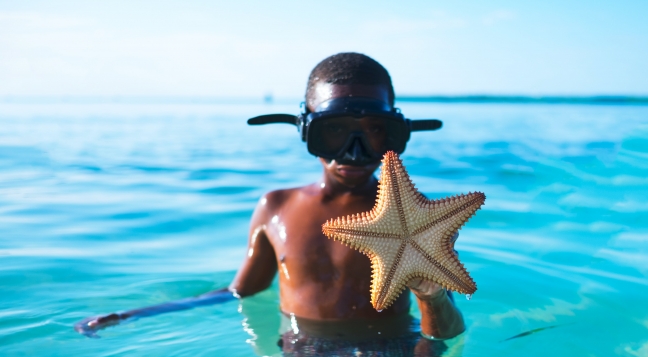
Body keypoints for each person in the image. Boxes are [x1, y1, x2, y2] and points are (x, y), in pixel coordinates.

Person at [74, 52, 466, 341]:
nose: (355, 151)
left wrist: (430, 294)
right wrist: (136, 314)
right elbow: (238, 292)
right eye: (334, 132)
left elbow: (445, 331)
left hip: (394, 356)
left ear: (397, 134)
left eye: (376, 131)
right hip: (305, 355)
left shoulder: (421, 219)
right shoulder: (276, 208)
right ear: (305, 130)